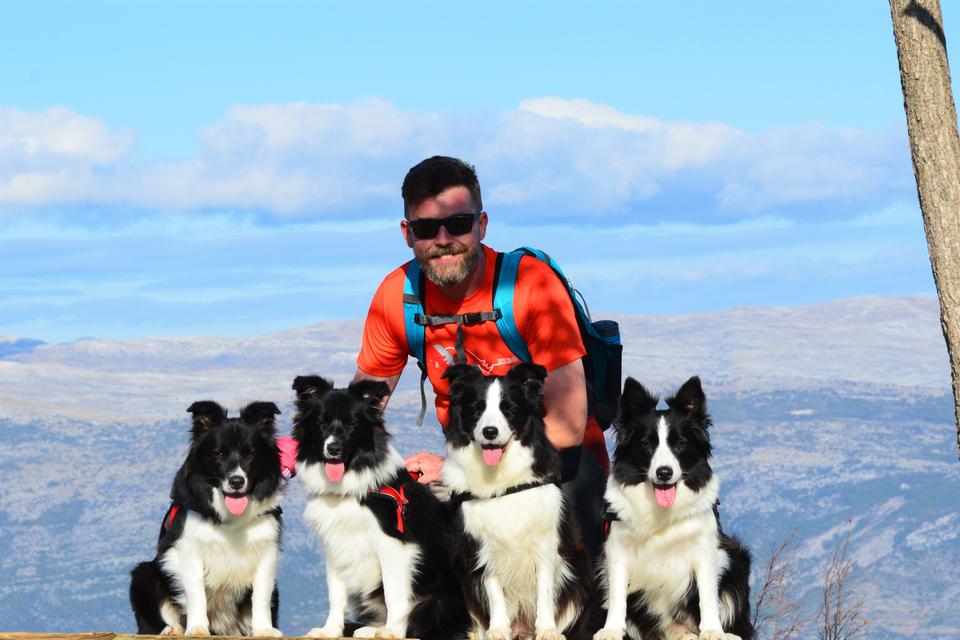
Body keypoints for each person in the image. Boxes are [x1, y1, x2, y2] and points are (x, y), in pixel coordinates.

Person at [353, 156, 609, 554]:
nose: (443, 240)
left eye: (458, 225)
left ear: (481, 225)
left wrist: (461, 469)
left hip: (557, 470)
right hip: (474, 467)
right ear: (407, 233)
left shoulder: (530, 285)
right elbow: (359, 414)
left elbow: (567, 426)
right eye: (426, 228)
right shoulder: (396, 297)